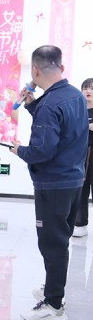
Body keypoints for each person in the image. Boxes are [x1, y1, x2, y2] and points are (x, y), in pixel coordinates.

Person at [10, 45, 88, 320]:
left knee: (52, 244)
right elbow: (63, 130)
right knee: (60, 239)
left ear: (35, 70)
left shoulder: (51, 104)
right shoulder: (75, 96)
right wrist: (32, 105)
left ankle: (54, 305)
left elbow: (41, 151)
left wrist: (18, 150)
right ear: (61, 67)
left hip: (53, 184)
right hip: (73, 180)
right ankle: (54, 288)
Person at [73, 77, 93, 238]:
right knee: (81, 188)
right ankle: (80, 224)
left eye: (92, 88)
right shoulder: (76, 109)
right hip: (81, 152)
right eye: (85, 88)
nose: (88, 91)